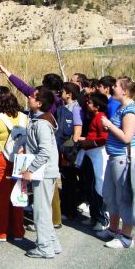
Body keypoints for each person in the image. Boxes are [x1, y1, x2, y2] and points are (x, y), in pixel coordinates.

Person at [0, 64, 64, 227]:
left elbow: (23, 86)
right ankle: (55, 220)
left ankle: (48, 226)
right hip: (51, 148)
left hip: (42, 151)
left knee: (45, 190)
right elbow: (23, 87)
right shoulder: (56, 103)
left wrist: (6, 72)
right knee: (50, 186)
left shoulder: (44, 112)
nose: (31, 96)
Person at [98, 77, 135, 249]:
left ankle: (126, 237)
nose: (112, 88)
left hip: (125, 159)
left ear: (124, 91)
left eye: (115, 86)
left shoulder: (130, 111)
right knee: (110, 195)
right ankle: (113, 229)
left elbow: (127, 137)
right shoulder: (121, 108)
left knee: (124, 197)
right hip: (114, 158)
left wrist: (109, 125)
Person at [0, 86, 28, 242]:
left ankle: (1, 232)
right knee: (18, 196)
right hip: (20, 158)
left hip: (2, 158)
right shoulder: (24, 117)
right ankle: (18, 232)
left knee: (2, 197)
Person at [21, 87, 62, 259]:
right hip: (46, 171)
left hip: (43, 172)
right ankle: (52, 243)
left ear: (39, 103)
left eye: (33, 96)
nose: (29, 97)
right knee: (43, 208)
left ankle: (45, 247)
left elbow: (44, 151)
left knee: (40, 210)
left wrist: (30, 169)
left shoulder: (42, 123)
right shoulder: (41, 120)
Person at [78, 92, 109, 231]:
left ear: (96, 106)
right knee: (90, 186)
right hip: (90, 154)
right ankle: (94, 216)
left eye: (90, 102)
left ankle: (102, 219)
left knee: (98, 186)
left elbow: (103, 138)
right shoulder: (95, 117)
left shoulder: (101, 118)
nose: (87, 104)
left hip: (96, 155)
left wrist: (89, 143)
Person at [59, 82, 84, 220]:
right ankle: (66, 208)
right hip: (64, 148)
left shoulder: (75, 109)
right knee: (66, 180)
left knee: (69, 180)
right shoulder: (64, 107)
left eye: (62, 91)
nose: (60, 93)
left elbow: (77, 133)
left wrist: (67, 148)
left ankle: (70, 211)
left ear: (69, 94)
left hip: (69, 151)